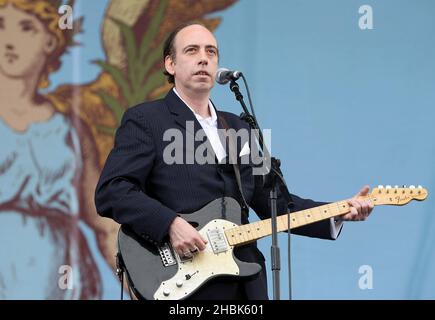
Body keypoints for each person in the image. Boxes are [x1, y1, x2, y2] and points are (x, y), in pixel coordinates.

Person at [94, 23, 374, 300]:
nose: (204, 58)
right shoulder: (147, 120)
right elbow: (113, 190)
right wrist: (170, 223)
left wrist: (337, 212)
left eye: (211, 52)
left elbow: (273, 201)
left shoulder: (239, 127)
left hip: (245, 279)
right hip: (184, 280)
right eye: (192, 50)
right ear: (170, 64)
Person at [0, 0, 119, 299]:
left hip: (62, 279)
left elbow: (103, 221)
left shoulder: (70, 128)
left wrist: (140, 284)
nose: (9, 39)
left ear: (50, 40)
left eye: (26, 27)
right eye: (1, 25)